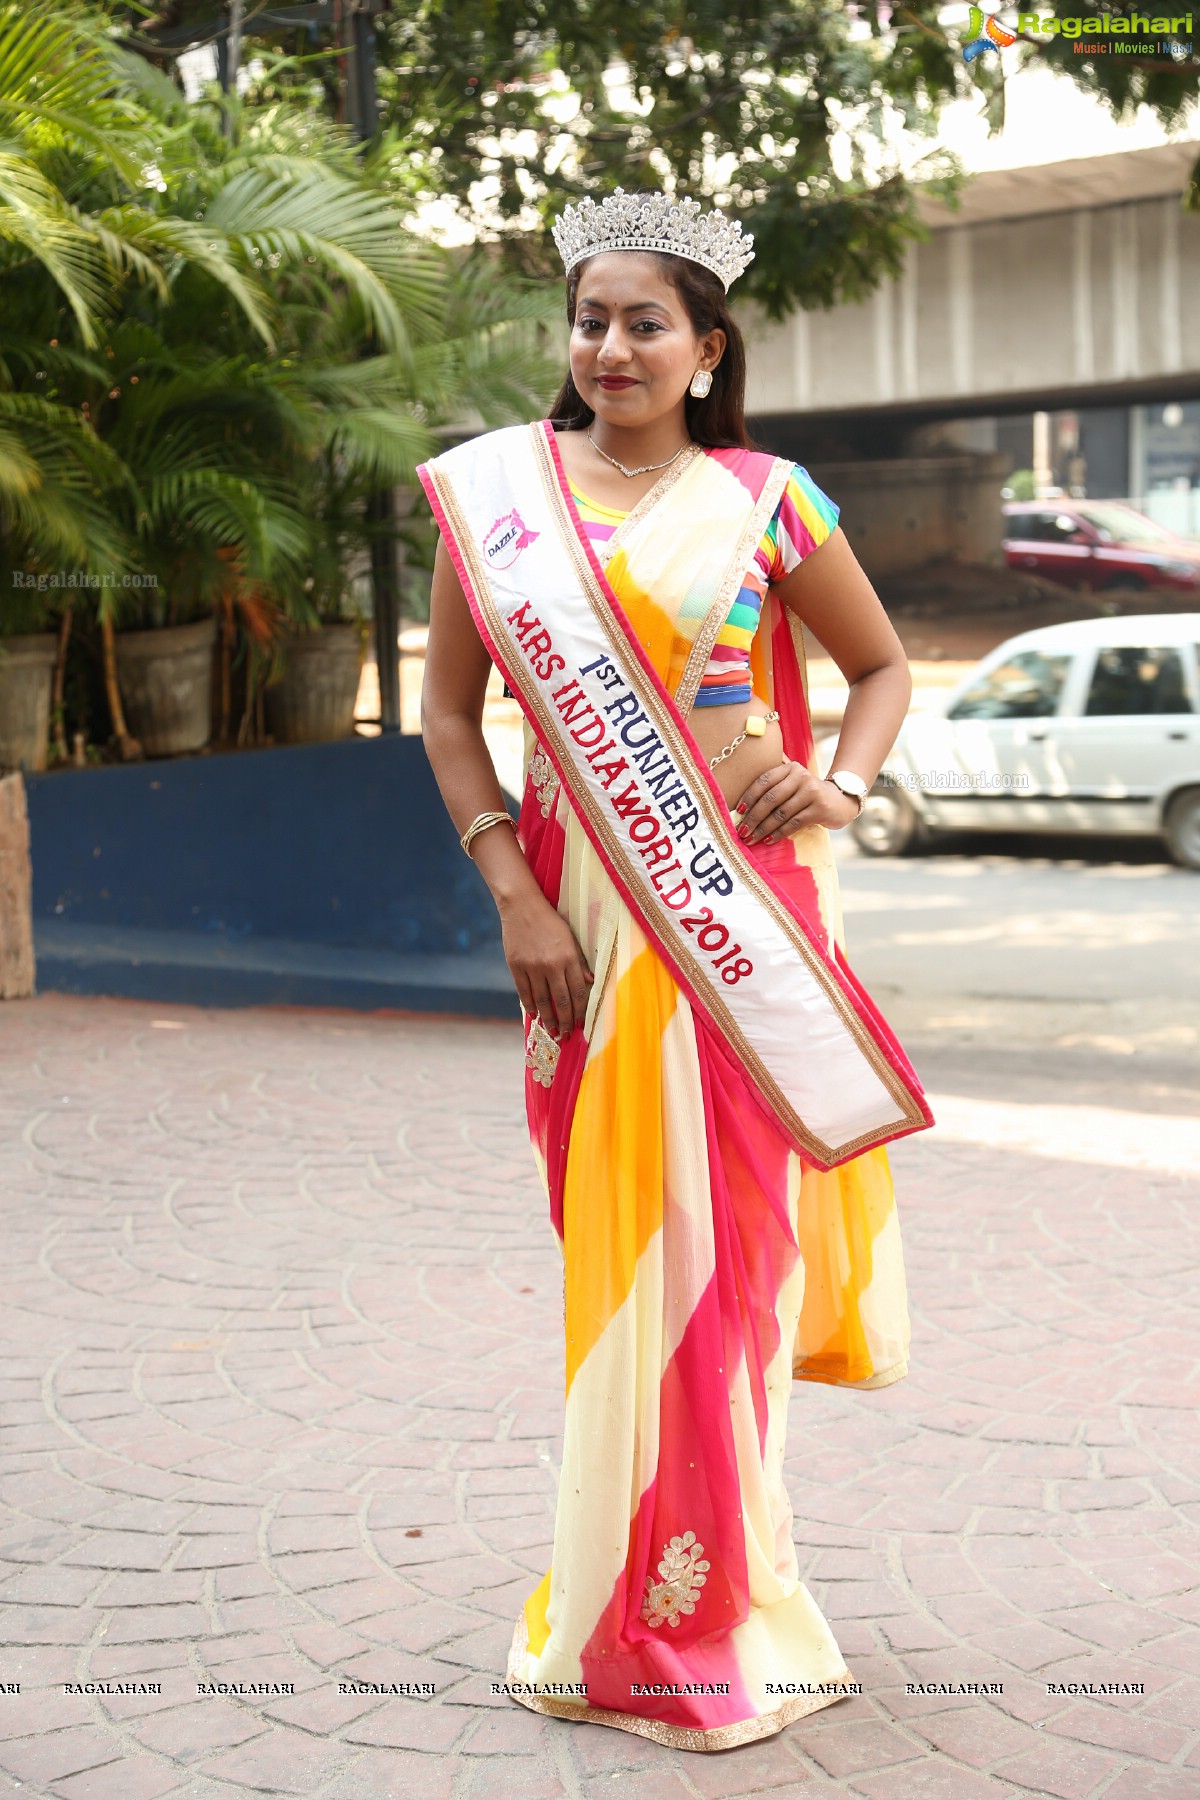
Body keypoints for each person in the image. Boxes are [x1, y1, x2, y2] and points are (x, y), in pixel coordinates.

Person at [418, 189, 932, 1753]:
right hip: (580, 913)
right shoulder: (495, 503)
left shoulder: (768, 498)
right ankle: (603, 1604)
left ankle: (716, 1613)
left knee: (732, 1273)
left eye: (648, 322)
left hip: (744, 925)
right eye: (590, 318)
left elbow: (884, 669)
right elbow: (449, 719)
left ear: (708, 349)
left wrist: (839, 784)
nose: (612, 346)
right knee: (621, 1268)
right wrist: (513, 892)